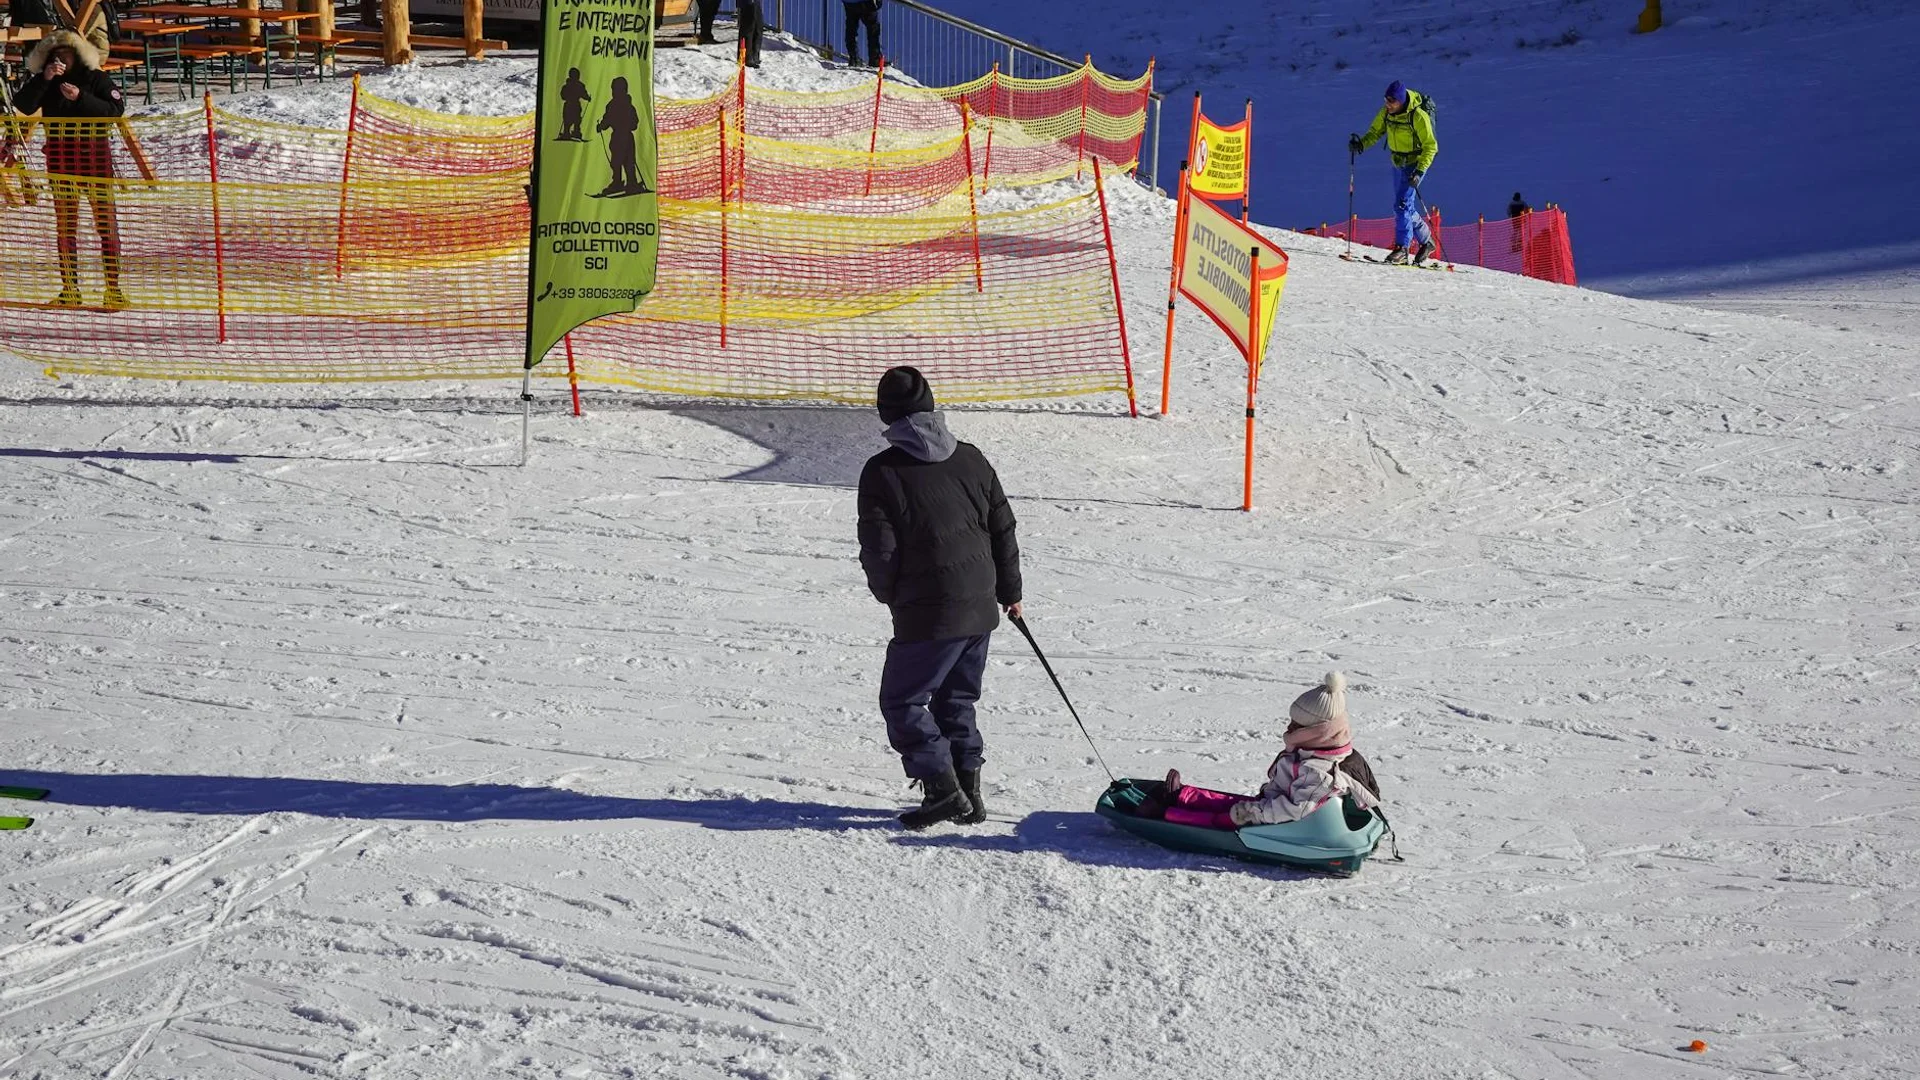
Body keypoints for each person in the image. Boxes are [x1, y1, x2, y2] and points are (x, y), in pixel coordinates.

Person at [858, 366, 1022, 830]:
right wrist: (1010, 593)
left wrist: (890, 595)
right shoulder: (971, 458)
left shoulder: (882, 471)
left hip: (927, 613)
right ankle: (969, 792)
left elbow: (879, 549)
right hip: (980, 607)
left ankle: (944, 790)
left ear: (886, 414)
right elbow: (1002, 530)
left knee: (903, 701)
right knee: (957, 700)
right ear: (932, 407)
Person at [1144, 673, 1381, 830]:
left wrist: (1252, 813)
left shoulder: (1320, 772)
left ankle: (1165, 816)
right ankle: (1183, 796)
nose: (1290, 727)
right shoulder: (1318, 751)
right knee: (1234, 803)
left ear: (1318, 731)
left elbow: (1295, 810)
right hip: (1273, 807)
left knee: (1223, 820)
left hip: (1283, 823)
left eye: (1297, 725)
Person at [13, 29, 126, 310]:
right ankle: (69, 289)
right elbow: (23, 105)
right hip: (61, 161)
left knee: (106, 224)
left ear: (76, 55)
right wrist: (45, 79)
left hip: (95, 161)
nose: (60, 59)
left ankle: (113, 288)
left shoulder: (95, 78)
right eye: (54, 55)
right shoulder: (46, 81)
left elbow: (115, 109)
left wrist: (81, 99)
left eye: (65, 54)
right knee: (65, 227)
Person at [1348, 80, 1437, 266]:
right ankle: (1427, 241)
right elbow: (1375, 132)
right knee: (1405, 206)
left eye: (1391, 101)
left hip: (1415, 163)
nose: (1387, 104)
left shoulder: (1418, 117)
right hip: (1398, 163)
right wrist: (1361, 144)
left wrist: (1420, 172)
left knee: (1402, 205)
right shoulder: (1386, 113)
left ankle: (1402, 249)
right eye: (1386, 99)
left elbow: (1431, 146)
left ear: (1401, 101)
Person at [594, 77, 646, 197]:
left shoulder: (612, 106)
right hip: (625, 137)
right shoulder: (627, 106)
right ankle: (627, 182)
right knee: (623, 161)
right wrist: (602, 126)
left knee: (622, 161)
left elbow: (607, 121)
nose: (613, 92)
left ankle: (624, 182)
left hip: (619, 137)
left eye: (614, 89)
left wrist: (601, 126)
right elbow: (634, 123)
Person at [842, 0, 882, 68]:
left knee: (851, 28)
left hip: (849, 2)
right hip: (865, 2)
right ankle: (875, 59)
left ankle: (854, 59)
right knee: (873, 28)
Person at [557, 68, 591, 141]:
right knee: (576, 119)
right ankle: (575, 132)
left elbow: (563, 96)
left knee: (568, 119)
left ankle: (567, 132)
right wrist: (588, 98)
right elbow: (583, 94)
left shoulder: (566, 86)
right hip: (575, 104)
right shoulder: (580, 85)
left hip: (568, 104)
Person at [736, 0, 763, 68]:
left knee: (757, 27)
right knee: (748, 28)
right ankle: (745, 58)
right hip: (747, 3)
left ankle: (755, 55)